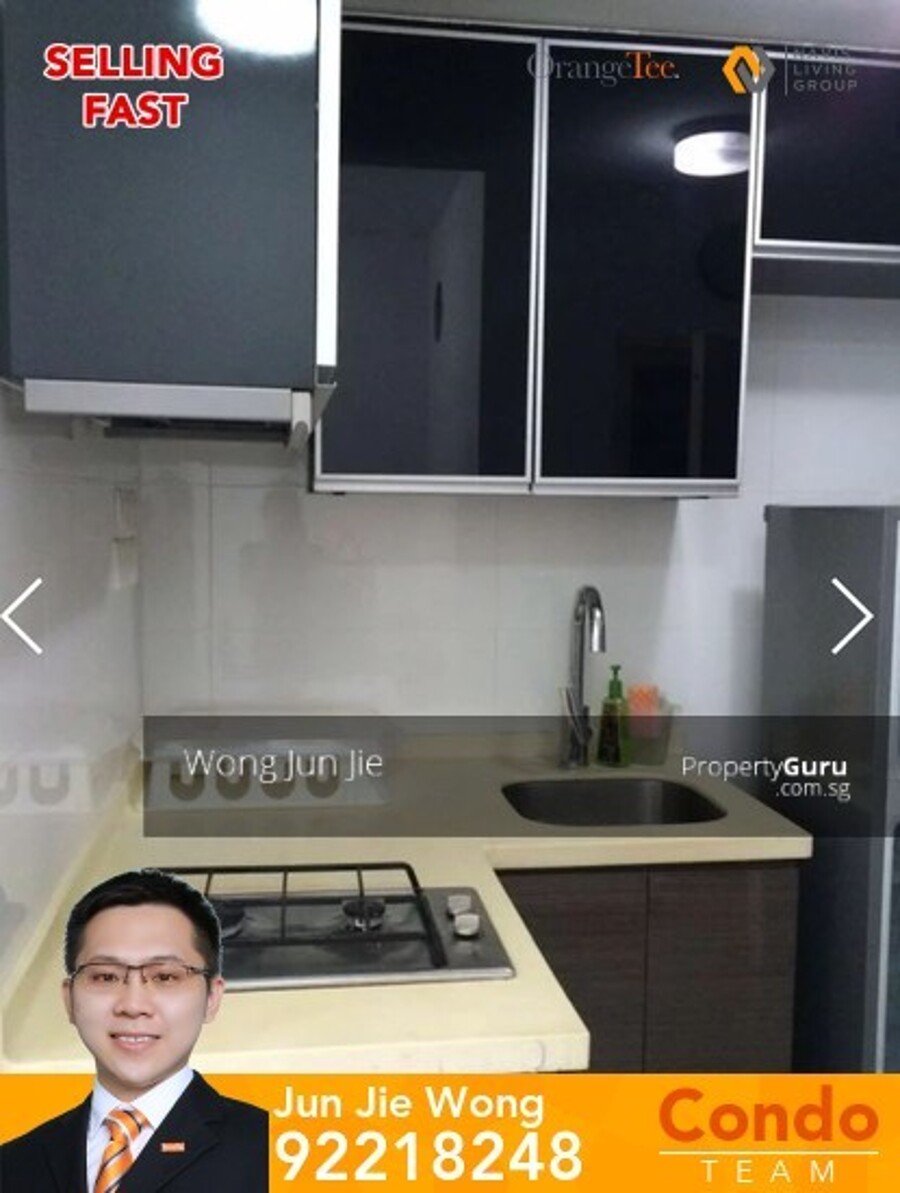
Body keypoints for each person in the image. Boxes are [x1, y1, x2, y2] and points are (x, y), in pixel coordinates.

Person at [0, 868, 268, 1192]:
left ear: (212, 997)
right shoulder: (13, 1164)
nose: (133, 1004)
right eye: (106, 977)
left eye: (165, 977)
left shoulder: (277, 1152)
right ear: (69, 999)